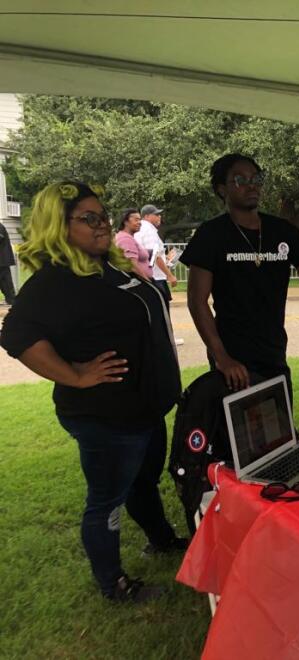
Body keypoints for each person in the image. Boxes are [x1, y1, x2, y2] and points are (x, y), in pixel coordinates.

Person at [0, 181, 186, 603]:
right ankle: (113, 583)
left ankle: (161, 538)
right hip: (106, 415)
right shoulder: (56, 280)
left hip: (144, 408)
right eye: (88, 218)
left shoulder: (109, 265)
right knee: (107, 502)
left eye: (102, 215)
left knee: (142, 482)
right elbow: (15, 334)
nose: (102, 224)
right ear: (58, 225)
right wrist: (75, 374)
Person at [180, 153, 299, 395]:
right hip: (232, 359)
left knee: (280, 426)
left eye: (256, 178)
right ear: (222, 189)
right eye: (240, 180)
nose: (251, 185)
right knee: (238, 429)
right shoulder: (211, 235)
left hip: (274, 352)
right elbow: (196, 300)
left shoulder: (283, 232)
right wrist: (221, 357)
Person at [134, 204, 177, 307]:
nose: (159, 216)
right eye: (156, 214)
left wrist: (165, 258)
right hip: (155, 278)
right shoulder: (149, 231)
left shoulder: (141, 229)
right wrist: (170, 275)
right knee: (161, 311)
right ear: (147, 216)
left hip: (147, 276)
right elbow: (154, 255)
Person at [114, 208, 153, 280]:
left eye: (140, 220)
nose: (140, 222)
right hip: (140, 283)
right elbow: (132, 265)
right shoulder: (125, 239)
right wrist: (148, 283)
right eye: (136, 220)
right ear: (125, 222)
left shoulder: (128, 237)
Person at [0, 220, 16, 306]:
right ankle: (11, 300)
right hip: (2, 262)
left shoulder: (0, 227)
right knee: (5, 283)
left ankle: (12, 301)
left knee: (6, 284)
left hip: (2, 261)